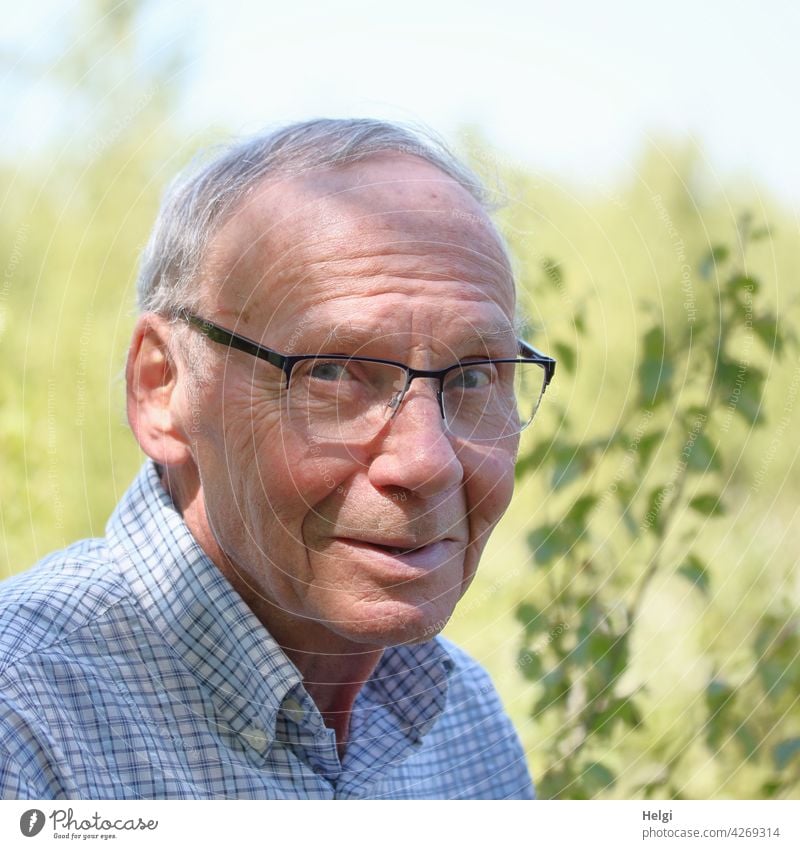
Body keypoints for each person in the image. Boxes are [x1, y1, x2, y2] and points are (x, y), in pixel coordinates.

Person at [0, 118, 555, 799]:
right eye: (334, 372)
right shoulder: (25, 721)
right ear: (161, 387)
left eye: (473, 376)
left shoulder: (464, 722)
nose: (427, 462)